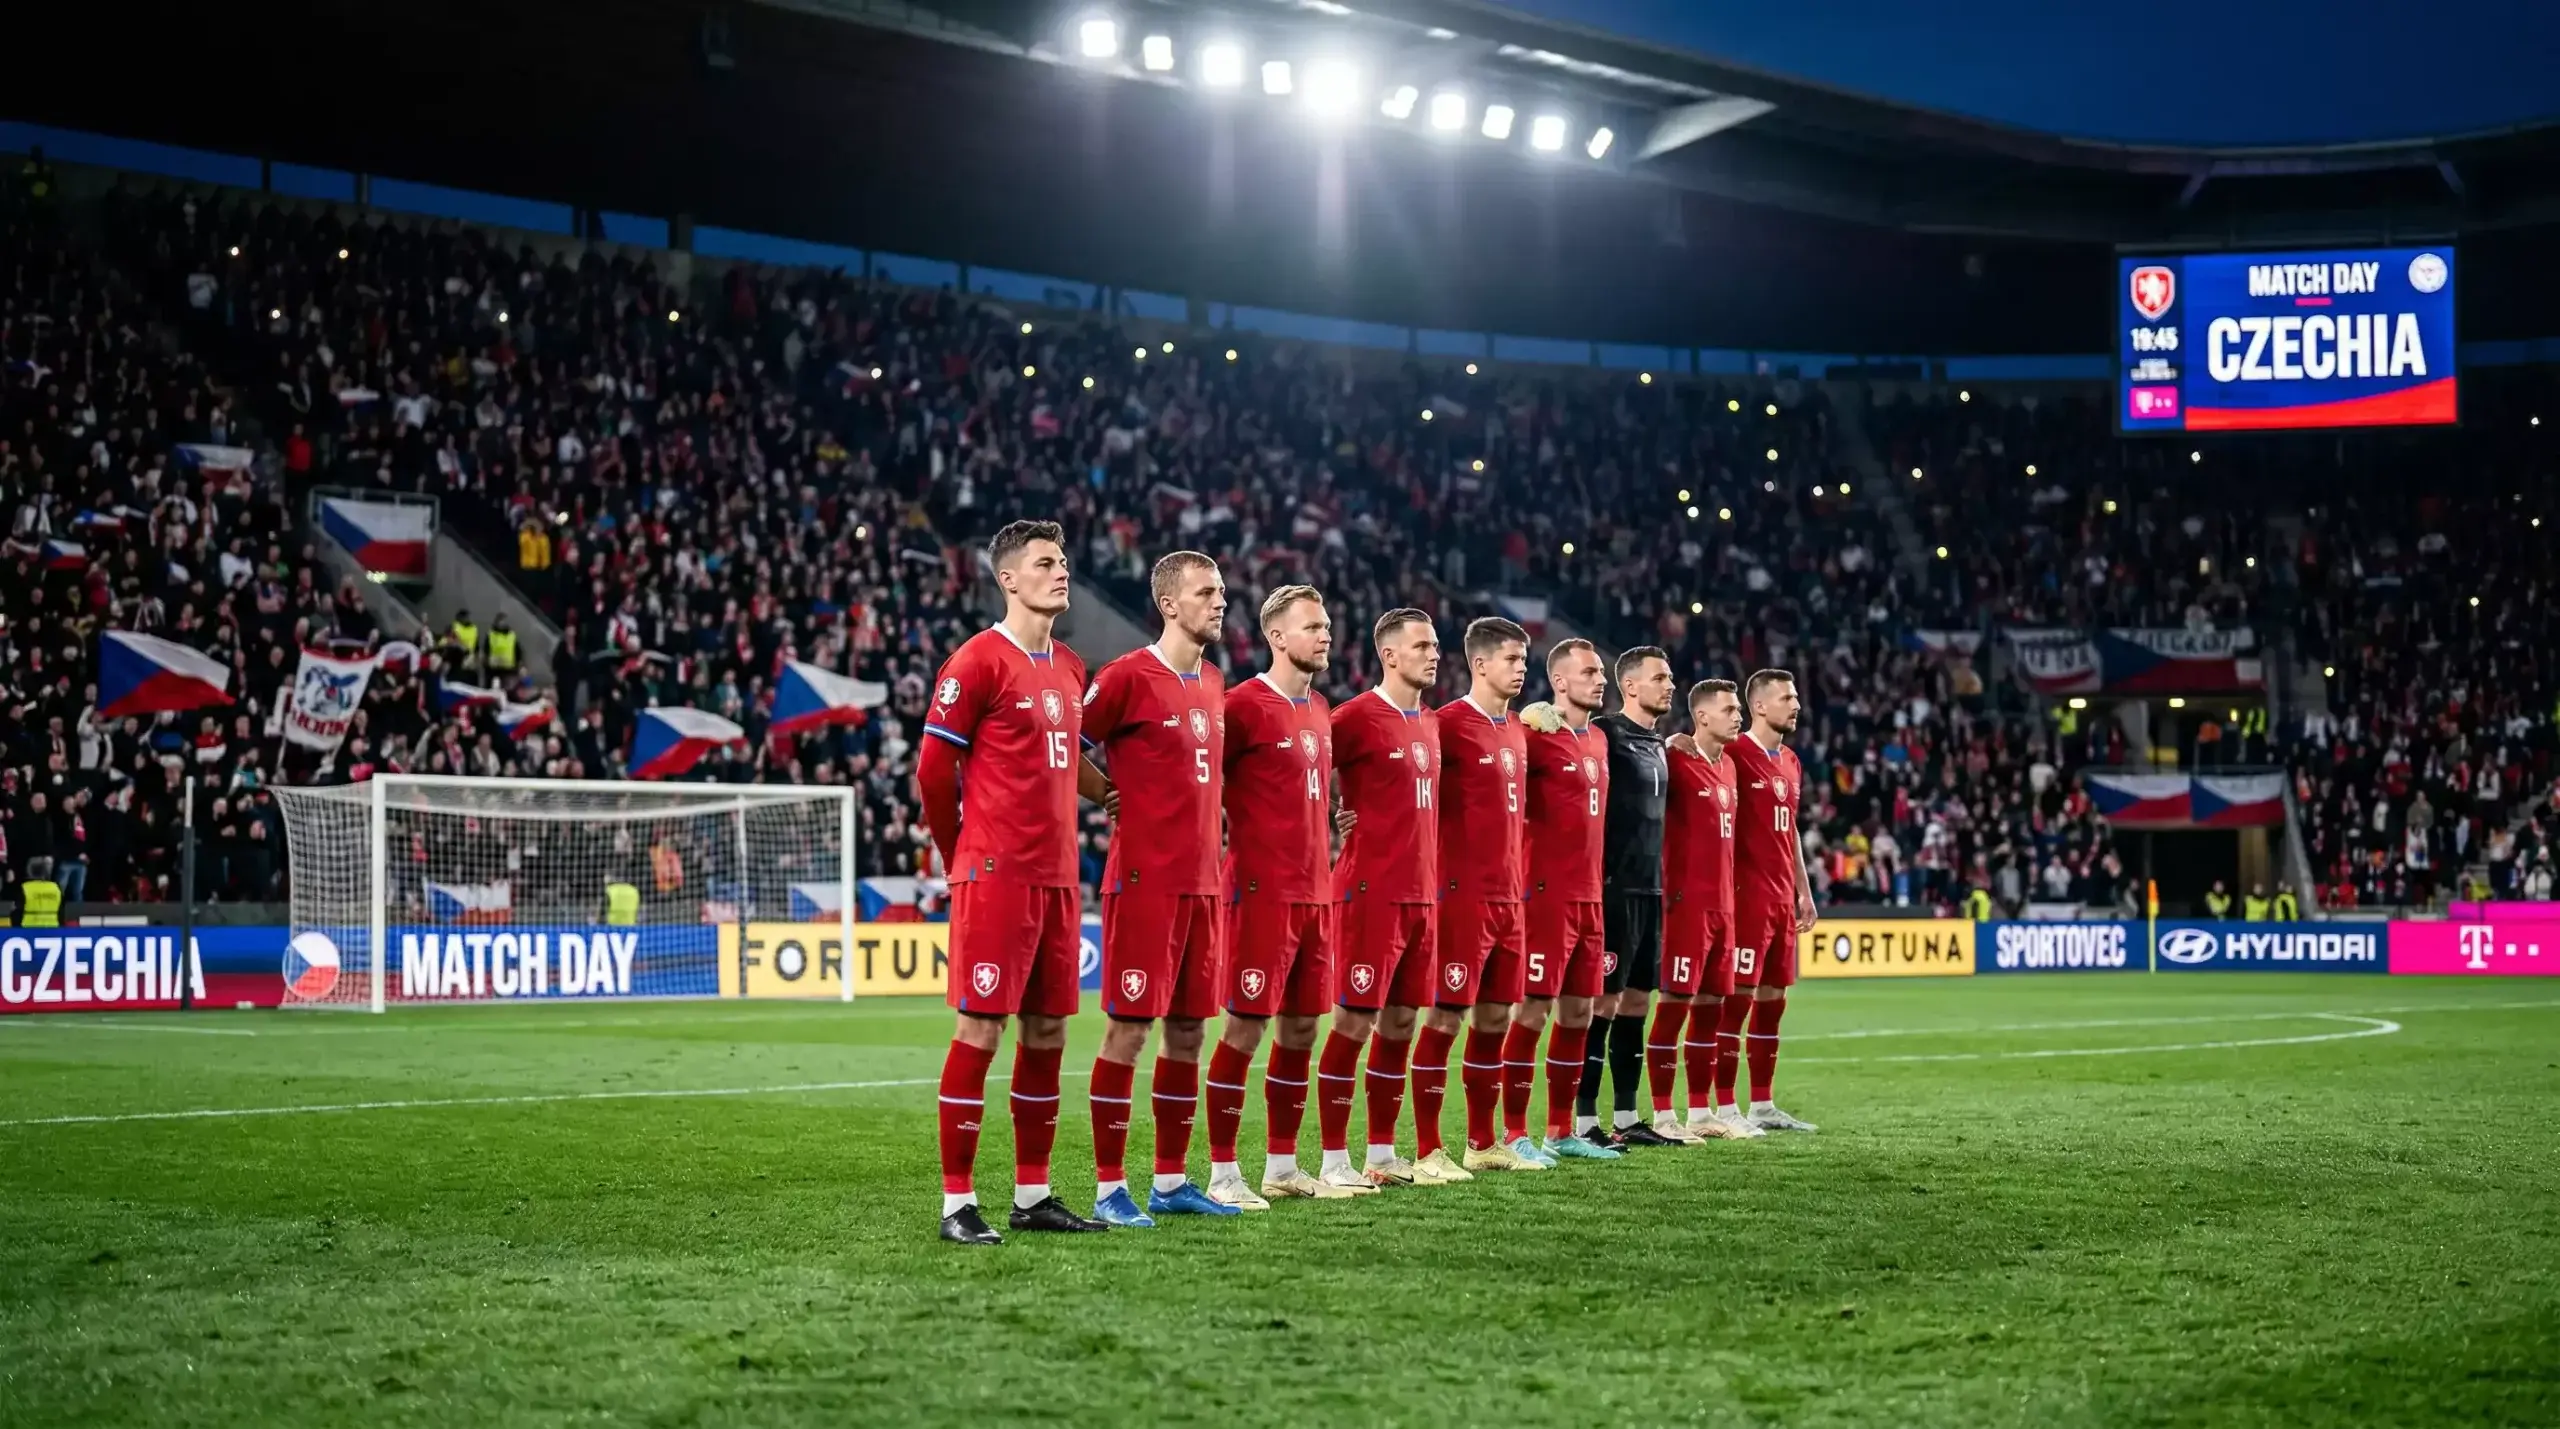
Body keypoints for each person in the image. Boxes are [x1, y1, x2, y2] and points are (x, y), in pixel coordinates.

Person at [917, 520, 1109, 1245]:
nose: (1062, 572)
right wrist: (955, 854)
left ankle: (1032, 1195)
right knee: (982, 1027)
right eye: (1045, 563)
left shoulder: (1071, 666)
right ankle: (957, 1203)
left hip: (1059, 878)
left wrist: (1116, 795)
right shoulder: (976, 661)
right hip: (996, 873)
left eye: (1063, 562)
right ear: (1008, 579)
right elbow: (933, 771)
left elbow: (1071, 760)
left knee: (1048, 1029)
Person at [1078, 551, 1236, 1226]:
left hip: (1204, 886)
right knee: (1129, 1031)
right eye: (1206, 592)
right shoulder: (1125, 676)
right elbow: (1065, 742)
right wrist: (1104, 792)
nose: (1220, 601)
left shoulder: (1215, 680)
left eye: (1222, 591)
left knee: (1189, 1033)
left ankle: (1170, 1182)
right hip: (1144, 884)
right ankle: (1109, 1188)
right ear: (1169, 604)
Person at [1213, 584, 1368, 1200]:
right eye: (1312, 627)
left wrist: (1340, 815)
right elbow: (1201, 776)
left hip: (1315, 894)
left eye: (1326, 625)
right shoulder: (1241, 706)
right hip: (1259, 894)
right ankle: (1223, 1174)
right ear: (1276, 637)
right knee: (1244, 1031)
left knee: (1300, 1032)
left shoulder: (1321, 709)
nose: (1325, 635)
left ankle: (1281, 1168)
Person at [1330, 609, 1468, 1186]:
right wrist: (1331, 817)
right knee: (1354, 1022)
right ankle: (1333, 1161)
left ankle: (1382, 1155)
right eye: (1422, 646)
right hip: (1370, 892)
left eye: (1435, 645)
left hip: (1422, 895)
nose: (1434, 654)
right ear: (1389, 655)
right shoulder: (1356, 716)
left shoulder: (1432, 722)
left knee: (1401, 1024)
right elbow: (1296, 766)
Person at [1426, 617, 1544, 1174]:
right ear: (1479, 663)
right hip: (1462, 896)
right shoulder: (1448, 723)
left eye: (1524, 660)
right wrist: (1349, 810)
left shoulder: (1518, 727)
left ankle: (1481, 1143)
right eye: (1511, 659)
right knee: (1446, 1019)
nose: (1521, 669)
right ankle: (1428, 1148)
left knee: (1494, 1021)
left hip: (1511, 900)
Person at [1510, 639, 1622, 1163]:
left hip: (1590, 896)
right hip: (1546, 894)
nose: (1600, 680)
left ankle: (1560, 1131)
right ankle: (1513, 1133)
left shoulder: (1597, 738)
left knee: (1580, 1012)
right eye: (1589, 672)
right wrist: (1523, 720)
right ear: (1559, 682)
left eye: (1600, 671)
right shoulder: (1534, 734)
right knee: (1533, 1009)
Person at [1585, 645, 1691, 1148]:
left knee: (1636, 1002)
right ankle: (1583, 1121)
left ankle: (1627, 1117)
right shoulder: (1604, 733)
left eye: (1669, 678)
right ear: (1629, 685)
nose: (1670, 685)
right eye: (1660, 678)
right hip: (1613, 888)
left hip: (1652, 889)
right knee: (1602, 1004)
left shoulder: (1660, 744)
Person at [1716, 668, 1820, 1133]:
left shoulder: (1792, 761)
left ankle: (1762, 1104)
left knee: (1773, 1001)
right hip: (1746, 896)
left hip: (1781, 899)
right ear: (1759, 706)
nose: (1795, 705)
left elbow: (1789, 827)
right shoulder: (1735, 752)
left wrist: (1804, 890)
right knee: (1737, 1000)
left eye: (1795, 697)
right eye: (1786, 698)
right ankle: (1723, 1108)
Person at [1664, 680, 1761, 1139]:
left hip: (1725, 906)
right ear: (1701, 716)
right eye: (1729, 709)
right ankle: (1663, 1115)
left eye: (1739, 708)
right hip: (1687, 904)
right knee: (1674, 1007)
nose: (1738, 715)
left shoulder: (1730, 767)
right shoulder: (1675, 759)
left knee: (1711, 1009)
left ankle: (1701, 1113)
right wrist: (1668, 741)